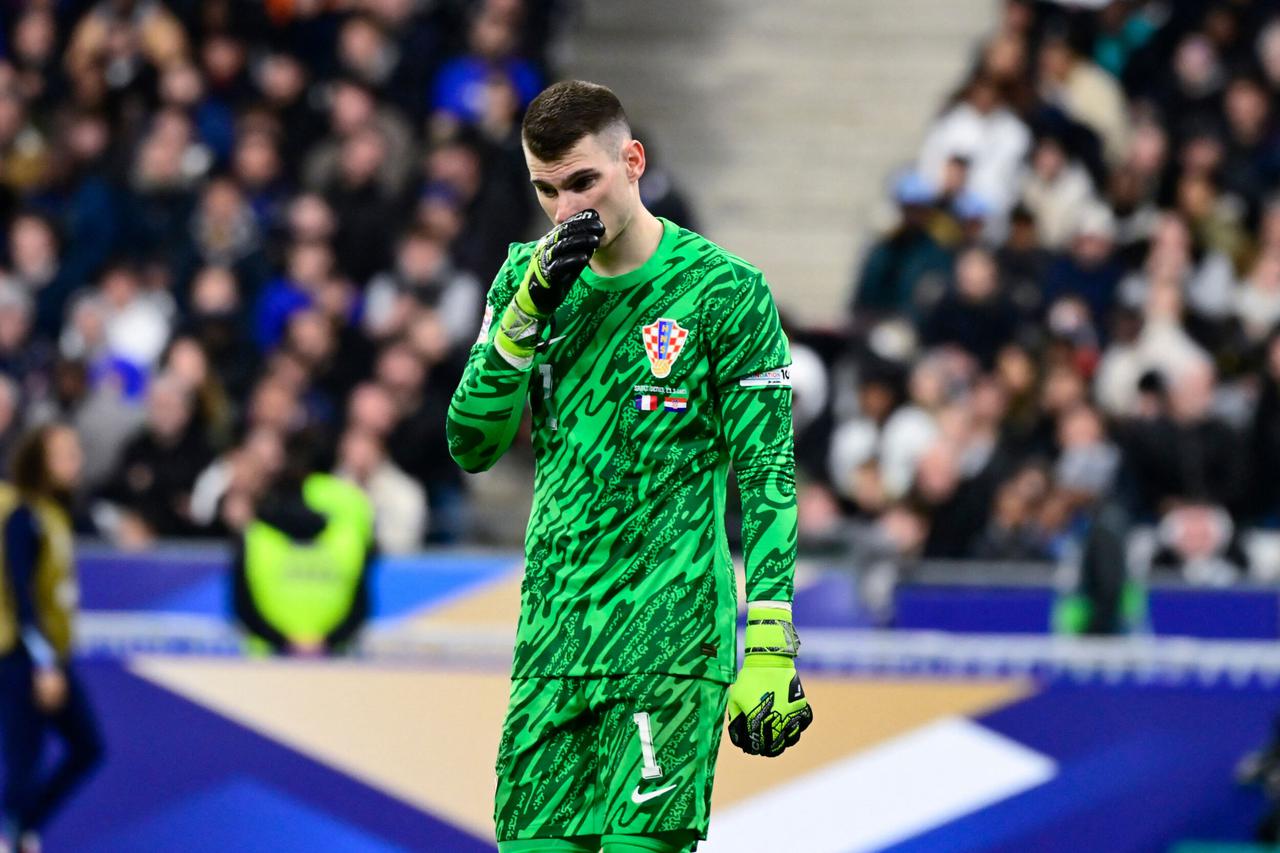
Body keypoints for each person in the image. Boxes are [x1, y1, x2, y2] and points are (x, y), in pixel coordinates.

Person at [447, 80, 813, 853]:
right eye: (546, 189)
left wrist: (771, 637)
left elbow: (769, 472)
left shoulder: (725, 291)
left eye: (584, 181)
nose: (566, 209)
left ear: (633, 161)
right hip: (554, 641)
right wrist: (522, 320)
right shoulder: (524, 281)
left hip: (669, 642)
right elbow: (471, 445)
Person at [0, 424, 105, 853]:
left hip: (52, 657)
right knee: (25, 759)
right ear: (40, 461)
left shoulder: (55, 513)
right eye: (64, 453)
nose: (74, 461)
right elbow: (22, 596)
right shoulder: (23, 516)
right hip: (22, 658)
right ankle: (10, 835)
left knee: (87, 747)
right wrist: (44, 663)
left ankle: (22, 829)